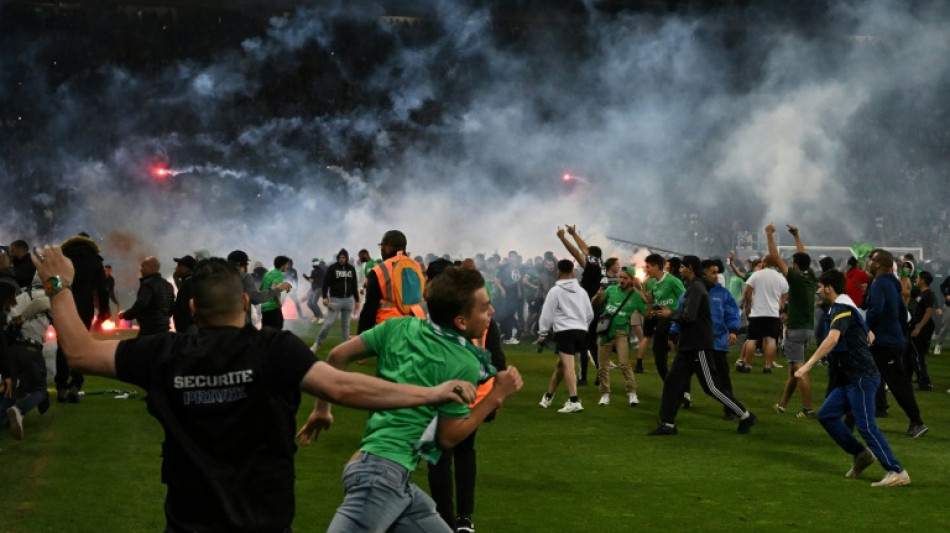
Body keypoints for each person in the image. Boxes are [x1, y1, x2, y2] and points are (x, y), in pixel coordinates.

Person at [31, 246, 480, 532]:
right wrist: (429, 394)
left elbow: (81, 352)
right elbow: (343, 385)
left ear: (192, 308)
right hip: (264, 521)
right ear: (245, 303)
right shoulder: (274, 349)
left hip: (188, 523)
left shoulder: (163, 353)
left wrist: (59, 284)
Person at [297, 265, 523, 533]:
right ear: (460, 321)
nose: (492, 312)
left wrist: (322, 410)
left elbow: (337, 356)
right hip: (381, 478)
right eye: (485, 307)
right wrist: (496, 395)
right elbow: (448, 437)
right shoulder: (464, 361)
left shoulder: (397, 326)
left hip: (388, 475)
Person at [795, 270, 911, 487]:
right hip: (851, 379)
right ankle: (861, 455)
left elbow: (832, 339)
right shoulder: (848, 306)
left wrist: (807, 366)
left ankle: (897, 471)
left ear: (829, 287)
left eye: (820, 286)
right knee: (827, 415)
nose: (818, 290)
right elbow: (870, 335)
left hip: (861, 378)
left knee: (866, 427)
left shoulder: (841, 307)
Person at [425, 259, 508, 533]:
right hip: (476, 396)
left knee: (439, 455)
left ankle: (445, 519)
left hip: (441, 395)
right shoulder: (479, 313)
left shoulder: (430, 318)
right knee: (465, 452)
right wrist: (496, 396)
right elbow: (497, 358)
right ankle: (464, 518)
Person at [649, 256, 757, 436]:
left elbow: (688, 317)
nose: (679, 270)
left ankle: (745, 415)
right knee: (672, 382)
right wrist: (674, 332)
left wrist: (670, 315)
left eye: (682, 267)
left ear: (690, 269)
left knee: (711, 386)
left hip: (698, 345)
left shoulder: (697, 288)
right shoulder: (693, 288)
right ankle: (667, 424)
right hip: (688, 345)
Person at [863, 249, 927, 436]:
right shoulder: (892, 284)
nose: (868, 262)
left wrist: (868, 328)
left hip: (885, 342)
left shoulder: (880, 284)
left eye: (871, 260)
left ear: (878, 264)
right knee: (869, 375)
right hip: (892, 339)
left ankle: (917, 422)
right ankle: (868, 412)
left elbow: (876, 310)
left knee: (898, 383)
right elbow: (901, 313)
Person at [767, 224, 818, 418]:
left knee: (799, 369)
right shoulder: (810, 276)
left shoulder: (795, 279)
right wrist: (797, 235)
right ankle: (782, 404)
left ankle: (808, 408)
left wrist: (769, 235)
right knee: (792, 371)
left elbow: (775, 258)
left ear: (795, 265)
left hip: (796, 330)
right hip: (807, 330)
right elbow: (803, 256)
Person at [57, 233, 110, 402]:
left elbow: (52, 283)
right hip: (85, 307)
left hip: (63, 304)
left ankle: (61, 387)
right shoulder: (95, 260)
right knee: (79, 344)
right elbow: (103, 289)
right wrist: (103, 312)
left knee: (62, 344)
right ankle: (75, 384)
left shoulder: (63, 258)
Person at [537, 259, 595, 413]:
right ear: (573, 271)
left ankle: (574, 400)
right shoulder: (582, 291)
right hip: (581, 331)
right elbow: (590, 314)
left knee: (568, 366)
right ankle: (548, 396)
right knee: (562, 365)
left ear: (558, 271)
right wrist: (583, 326)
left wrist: (542, 335)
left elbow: (546, 315)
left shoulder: (555, 291)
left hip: (564, 331)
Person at [1, 275, 52, 440]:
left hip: (12, 349)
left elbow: (8, 320)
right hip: (31, 349)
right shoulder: (47, 295)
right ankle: (20, 410)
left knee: (10, 393)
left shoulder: (20, 296)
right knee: (40, 390)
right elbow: (41, 303)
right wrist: (24, 316)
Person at [592, 266, 647, 407]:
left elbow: (646, 313)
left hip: (621, 332)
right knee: (602, 366)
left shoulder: (636, 296)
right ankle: (604, 394)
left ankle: (632, 392)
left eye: (625, 278)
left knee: (624, 363)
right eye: (620, 277)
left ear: (632, 280)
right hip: (605, 331)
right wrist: (597, 296)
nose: (621, 280)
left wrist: (649, 301)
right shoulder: (611, 290)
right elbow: (595, 303)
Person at [556, 225, 604, 385]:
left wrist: (563, 238)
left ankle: (584, 377)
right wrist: (574, 234)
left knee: (584, 342)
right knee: (591, 342)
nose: (586, 253)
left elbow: (576, 252)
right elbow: (584, 249)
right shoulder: (600, 264)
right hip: (596, 308)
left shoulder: (592, 267)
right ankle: (600, 373)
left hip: (587, 307)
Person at [357, 230, 426, 334]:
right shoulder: (420, 267)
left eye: (382, 246)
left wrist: (361, 338)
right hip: (416, 327)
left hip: (389, 330)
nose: (381, 249)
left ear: (389, 246)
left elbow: (369, 310)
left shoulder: (380, 270)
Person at [738, 248, 788, 373]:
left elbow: (747, 291)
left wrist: (749, 305)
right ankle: (768, 366)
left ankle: (748, 365)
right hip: (772, 313)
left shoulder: (757, 274)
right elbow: (785, 294)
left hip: (757, 312)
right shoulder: (781, 278)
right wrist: (780, 306)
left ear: (764, 262)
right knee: (771, 339)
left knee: (752, 339)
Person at [643, 253, 686, 380]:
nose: (646, 270)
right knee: (659, 358)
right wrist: (651, 303)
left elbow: (686, 300)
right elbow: (655, 305)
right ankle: (670, 384)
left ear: (656, 266)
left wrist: (673, 313)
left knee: (681, 358)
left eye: (648, 267)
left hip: (674, 323)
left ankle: (684, 391)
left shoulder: (673, 281)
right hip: (660, 324)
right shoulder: (651, 283)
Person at [311, 249, 360, 352]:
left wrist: (357, 300)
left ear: (346, 258)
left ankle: (345, 349)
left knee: (345, 326)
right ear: (338, 258)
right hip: (335, 300)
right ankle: (317, 344)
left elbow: (354, 285)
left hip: (348, 301)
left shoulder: (351, 269)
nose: (342, 259)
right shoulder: (332, 268)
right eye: (340, 257)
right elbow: (326, 284)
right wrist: (325, 297)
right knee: (328, 323)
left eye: (344, 257)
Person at [226, 250, 291, 326]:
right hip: (240, 322)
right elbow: (256, 298)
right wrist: (278, 289)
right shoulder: (245, 277)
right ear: (244, 265)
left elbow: (260, 288)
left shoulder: (221, 277)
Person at [118, 256, 175, 337]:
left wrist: (124, 315)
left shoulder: (148, 284)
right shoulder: (168, 285)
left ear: (150, 267)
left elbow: (140, 305)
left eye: (142, 266)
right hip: (165, 328)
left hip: (149, 329)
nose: (140, 269)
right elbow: (172, 308)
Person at [905, 271, 935, 391]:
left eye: (918, 278)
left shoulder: (928, 295)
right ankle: (907, 380)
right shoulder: (919, 293)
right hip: (916, 325)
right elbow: (904, 292)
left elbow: (928, 312)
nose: (916, 279)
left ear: (923, 280)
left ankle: (925, 382)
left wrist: (919, 327)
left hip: (923, 328)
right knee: (909, 354)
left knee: (918, 355)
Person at [259, 255, 292, 330]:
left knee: (266, 331)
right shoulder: (278, 274)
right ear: (282, 265)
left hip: (264, 307)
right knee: (276, 330)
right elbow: (274, 289)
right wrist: (279, 303)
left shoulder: (268, 273)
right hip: (273, 307)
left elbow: (261, 288)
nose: (287, 266)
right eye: (287, 264)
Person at [171, 255, 197, 334]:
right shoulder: (190, 283)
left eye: (179, 266)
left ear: (186, 268)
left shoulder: (188, 285)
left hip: (189, 329)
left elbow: (186, 309)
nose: (176, 268)